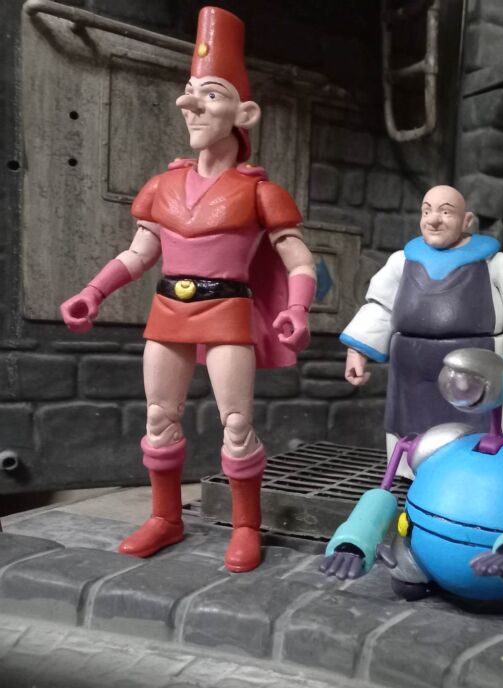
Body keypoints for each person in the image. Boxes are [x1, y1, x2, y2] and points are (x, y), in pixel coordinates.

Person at [59, 6, 316, 573]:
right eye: (190, 92)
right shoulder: (162, 186)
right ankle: (165, 517)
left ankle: (245, 526)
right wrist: (93, 292)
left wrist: (298, 307)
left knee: (237, 425)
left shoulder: (259, 192)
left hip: (227, 311)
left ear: (245, 113)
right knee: (158, 417)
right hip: (168, 309)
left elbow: (298, 257)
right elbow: (138, 253)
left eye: (211, 94)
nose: (190, 104)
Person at [339, 185, 503, 466]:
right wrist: (357, 350)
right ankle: (410, 478)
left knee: (472, 432)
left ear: (467, 220)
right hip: (410, 369)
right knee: (409, 433)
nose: (433, 220)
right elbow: (379, 306)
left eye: (445, 212)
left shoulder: (494, 263)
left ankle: (467, 477)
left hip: (474, 364)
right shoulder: (401, 262)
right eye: (427, 211)